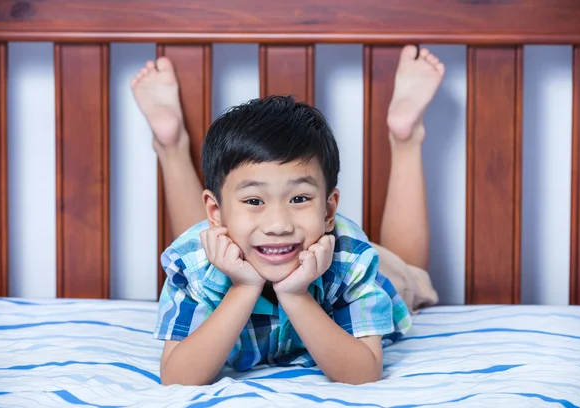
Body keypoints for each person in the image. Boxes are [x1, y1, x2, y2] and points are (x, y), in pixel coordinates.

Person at [131, 44, 442, 386]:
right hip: (235, 241)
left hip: (343, 260)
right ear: (214, 212)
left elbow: (363, 374)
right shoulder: (192, 264)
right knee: (216, 237)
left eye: (299, 197)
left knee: (409, 273)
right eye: (255, 201)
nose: (279, 225)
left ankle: (406, 137)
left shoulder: (350, 259)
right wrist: (242, 288)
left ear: (328, 210)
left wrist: (296, 295)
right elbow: (178, 378)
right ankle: (170, 145)